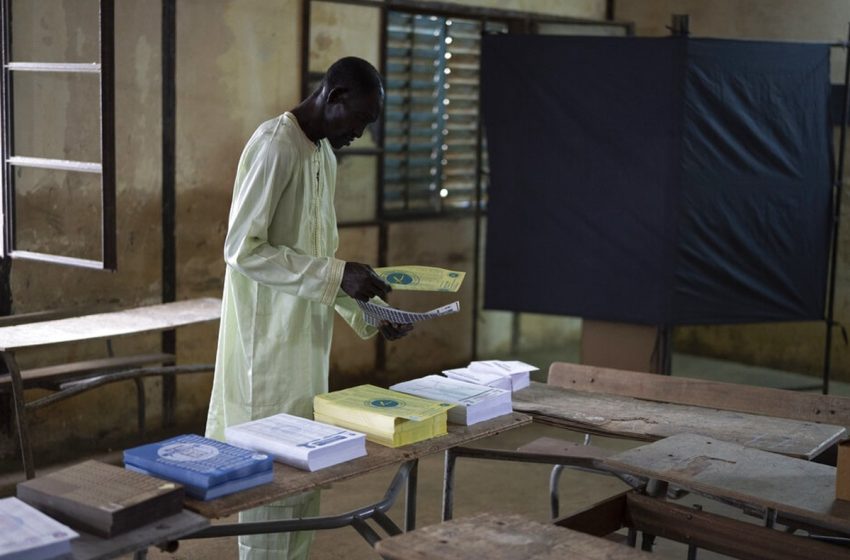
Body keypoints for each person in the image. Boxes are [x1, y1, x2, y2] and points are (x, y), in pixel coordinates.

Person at [206, 56, 412, 560]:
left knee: (305, 488)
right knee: (271, 497)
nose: (359, 134)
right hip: (267, 353)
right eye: (358, 120)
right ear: (333, 95)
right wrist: (339, 275)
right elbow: (241, 249)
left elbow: (322, 260)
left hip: (305, 349)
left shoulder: (323, 154)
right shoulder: (276, 146)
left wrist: (370, 312)